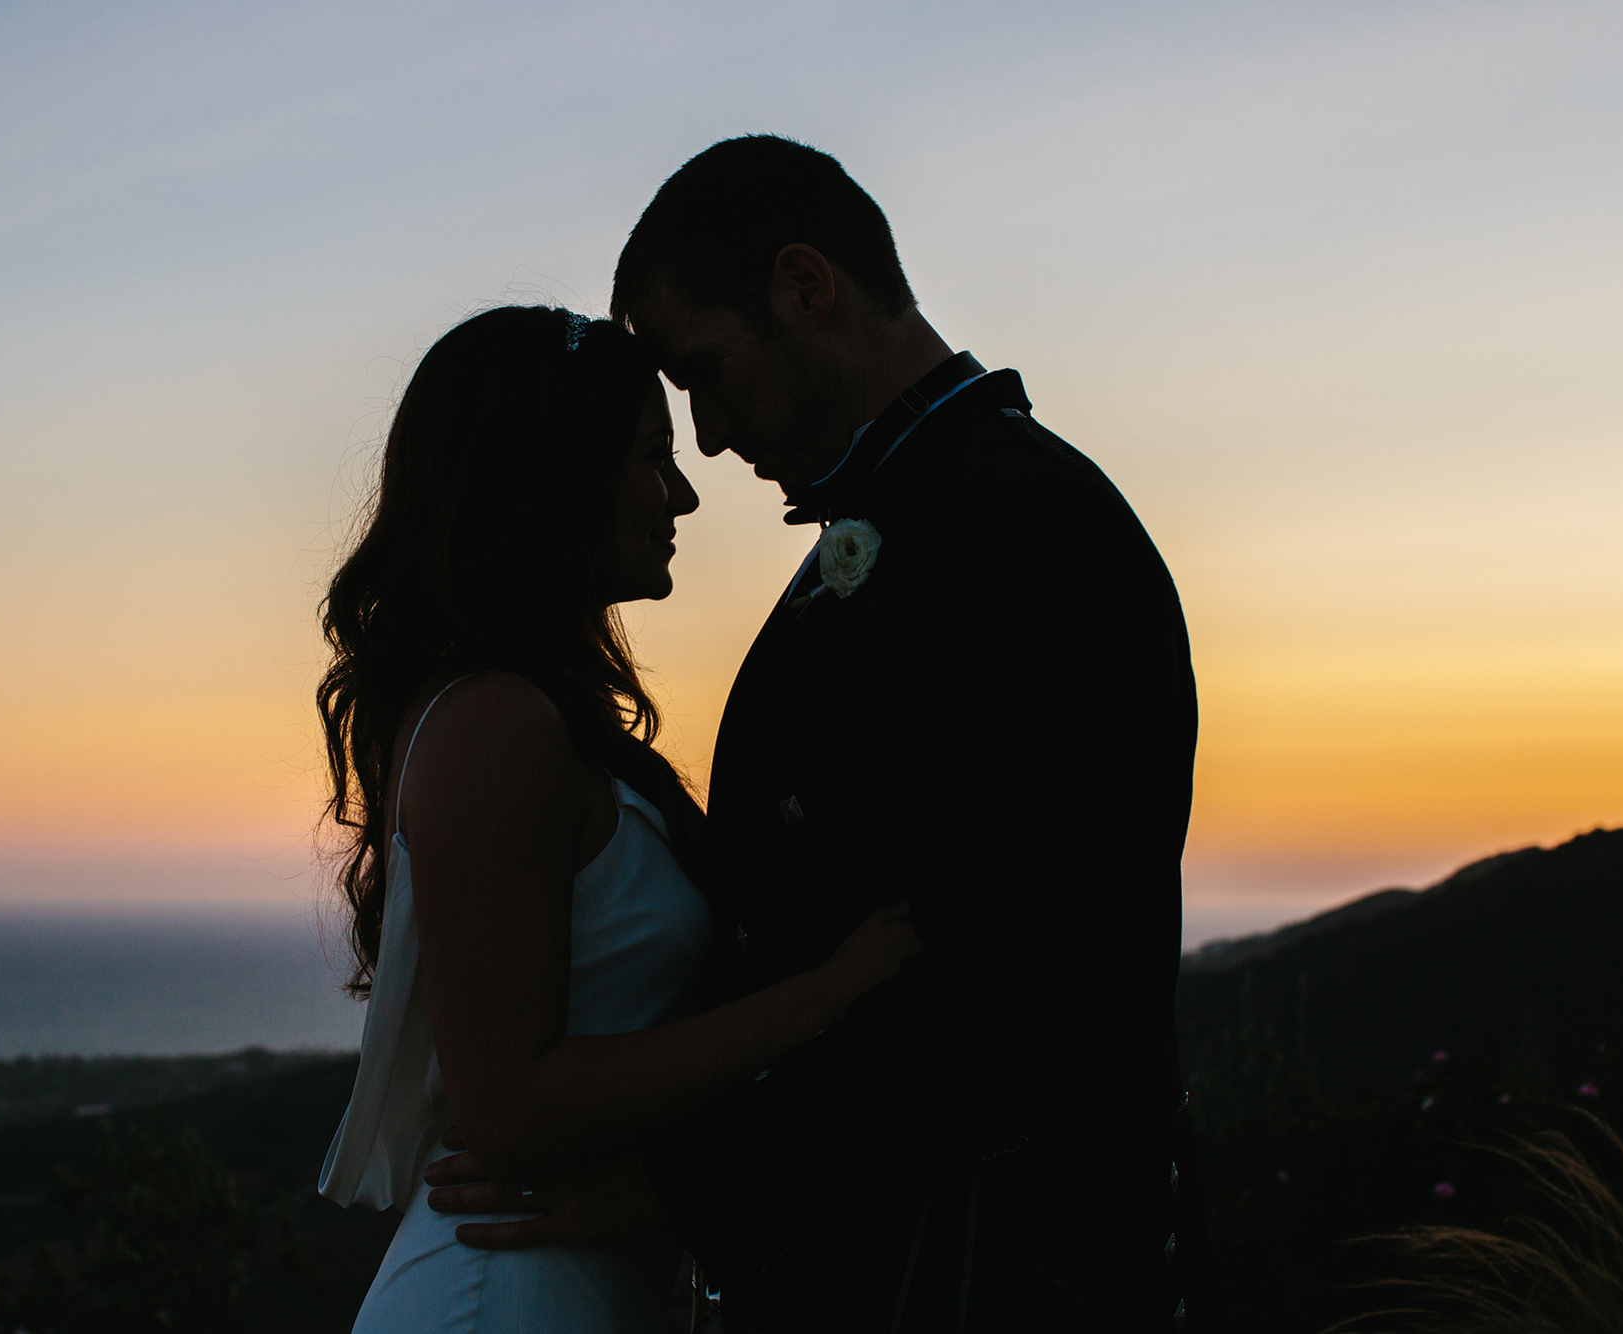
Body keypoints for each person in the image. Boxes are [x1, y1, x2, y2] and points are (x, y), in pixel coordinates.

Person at [426, 138, 1205, 1330]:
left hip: (977, 1276)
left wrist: (671, 1187)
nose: (712, 437)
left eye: (707, 373)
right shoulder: (910, 523)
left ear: (805, 287)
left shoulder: (1030, 530)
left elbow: (1019, 992)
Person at [314, 303, 922, 1333]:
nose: (682, 493)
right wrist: (824, 994)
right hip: (501, 1298)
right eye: (652, 459)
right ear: (552, 478)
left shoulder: (537, 717)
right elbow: (506, 1100)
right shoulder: (493, 724)